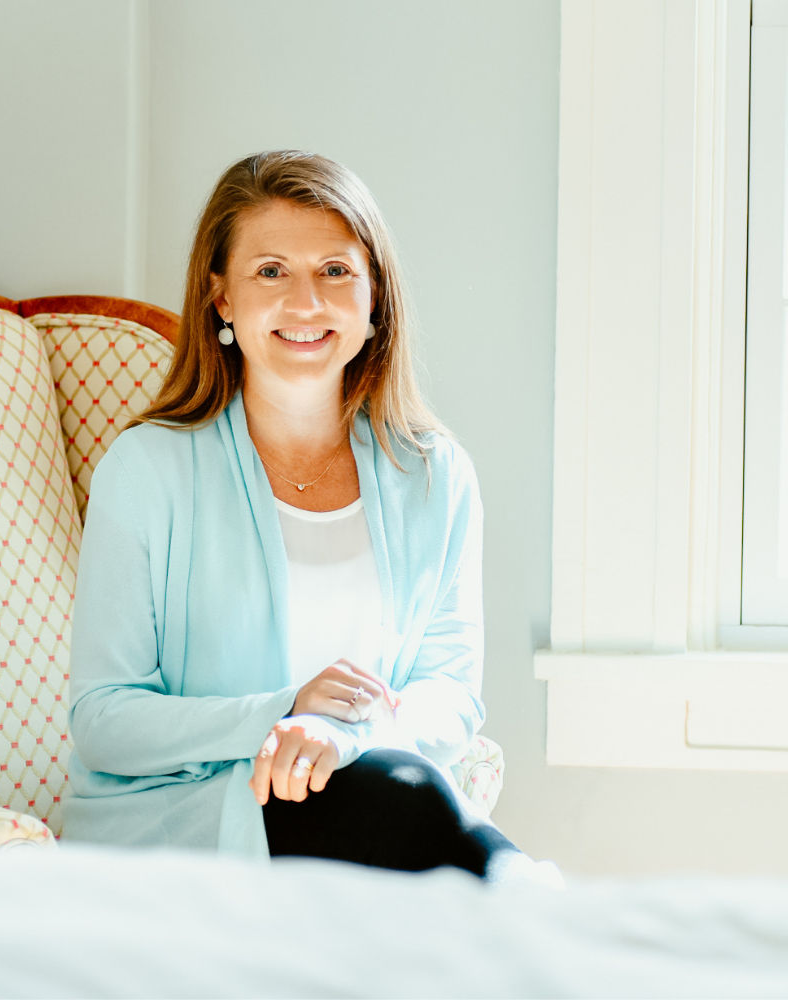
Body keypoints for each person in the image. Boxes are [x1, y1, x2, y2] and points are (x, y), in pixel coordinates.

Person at [63, 150, 549, 885]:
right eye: (270, 272)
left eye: (334, 271)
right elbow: (103, 721)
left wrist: (348, 734)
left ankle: (523, 914)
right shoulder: (147, 471)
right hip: (183, 824)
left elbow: (450, 693)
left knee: (393, 790)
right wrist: (285, 713)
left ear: (374, 296)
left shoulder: (435, 474)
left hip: (377, 799)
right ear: (220, 297)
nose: (305, 302)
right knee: (400, 799)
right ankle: (535, 904)